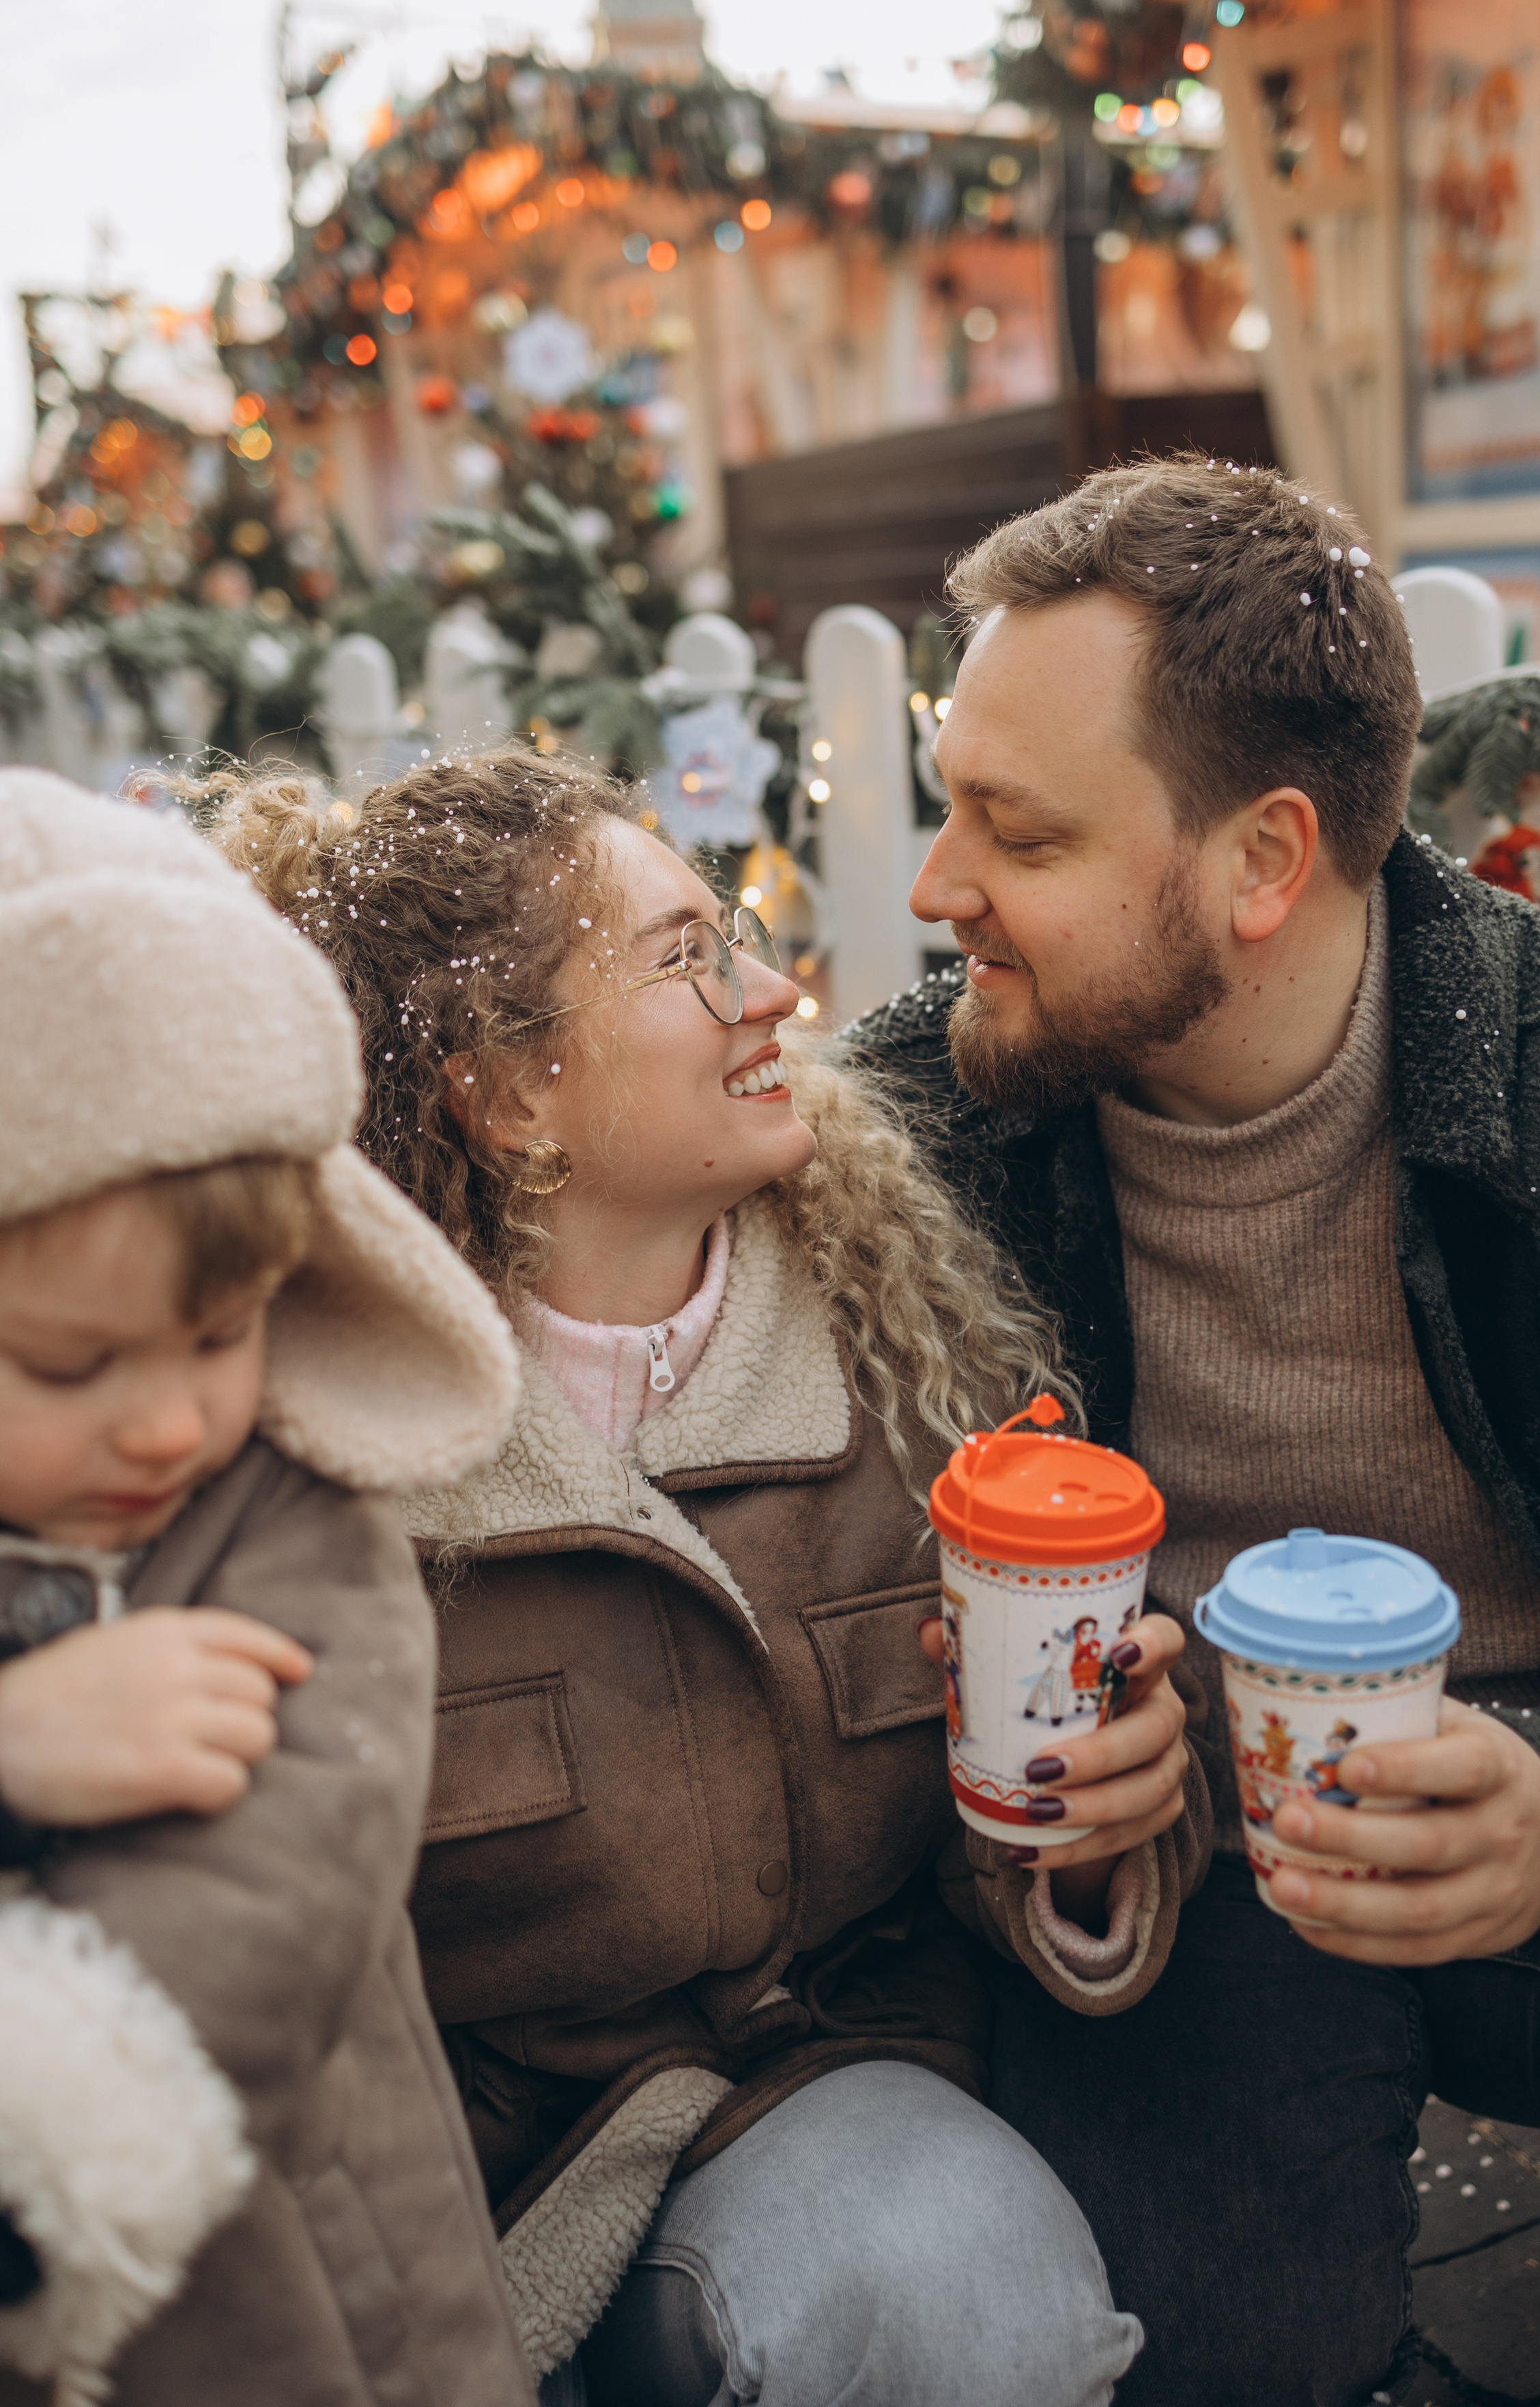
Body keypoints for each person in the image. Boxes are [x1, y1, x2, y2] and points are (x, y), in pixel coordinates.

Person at [848, 453, 1540, 2407]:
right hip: (1205, 1880)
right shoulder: (919, 1131)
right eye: (944, 806)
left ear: (1262, 863)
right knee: (1203, 2358)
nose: (937, 891)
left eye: (1018, 831)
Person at [207, 748, 1214, 2407]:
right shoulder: (300, 1447)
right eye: (684, 960)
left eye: (733, 936)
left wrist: (1100, 1833)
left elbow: (1008, 1859)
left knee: (964, 2301)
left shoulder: (914, 1371)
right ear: (502, 1090)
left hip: (813, 2109)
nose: (772, 994)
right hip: (451, 2204)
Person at [0, 768, 532, 2407]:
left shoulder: (285, 1525)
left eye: (224, 1336)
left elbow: (260, 1919)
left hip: (302, 2335)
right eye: (67, 1363)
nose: (169, 1420)